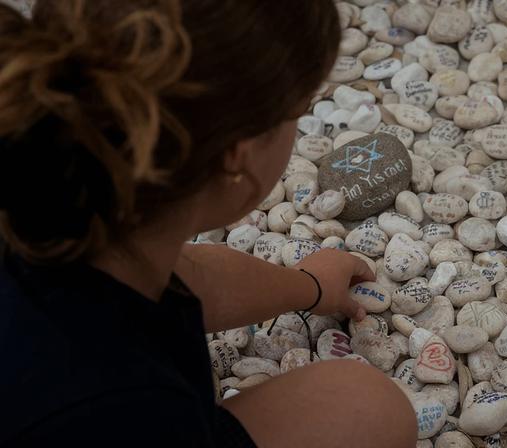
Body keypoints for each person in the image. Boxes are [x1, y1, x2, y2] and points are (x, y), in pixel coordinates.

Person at [0, 1, 417, 446]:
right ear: (238, 155)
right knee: (364, 409)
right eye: (301, 109)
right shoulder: (124, 407)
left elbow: (191, 278)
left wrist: (309, 285)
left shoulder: (38, 175)